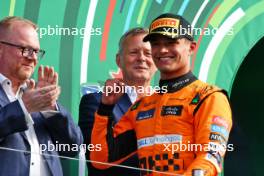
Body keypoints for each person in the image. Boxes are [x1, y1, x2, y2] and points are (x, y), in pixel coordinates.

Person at [90, 13, 233, 176]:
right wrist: (105, 109)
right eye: (156, 44)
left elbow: (209, 159)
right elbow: (101, 159)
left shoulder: (209, 97)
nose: (163, 50)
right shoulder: (142, 106)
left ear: (191, 48)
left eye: (171, 42)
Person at [0, 16, 83, 176]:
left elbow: (72, 147)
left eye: (36, 51)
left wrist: (49, 108)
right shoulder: (31, 100)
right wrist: (23, 108)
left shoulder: (35, 95)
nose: (33, 58)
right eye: (25, 49)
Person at [78, 27, 157, 176]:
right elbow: (97, 160)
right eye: (134, 52)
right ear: (118, 60)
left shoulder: (169, 104)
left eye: (149, 53)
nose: (141, 58)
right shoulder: (96, 102)